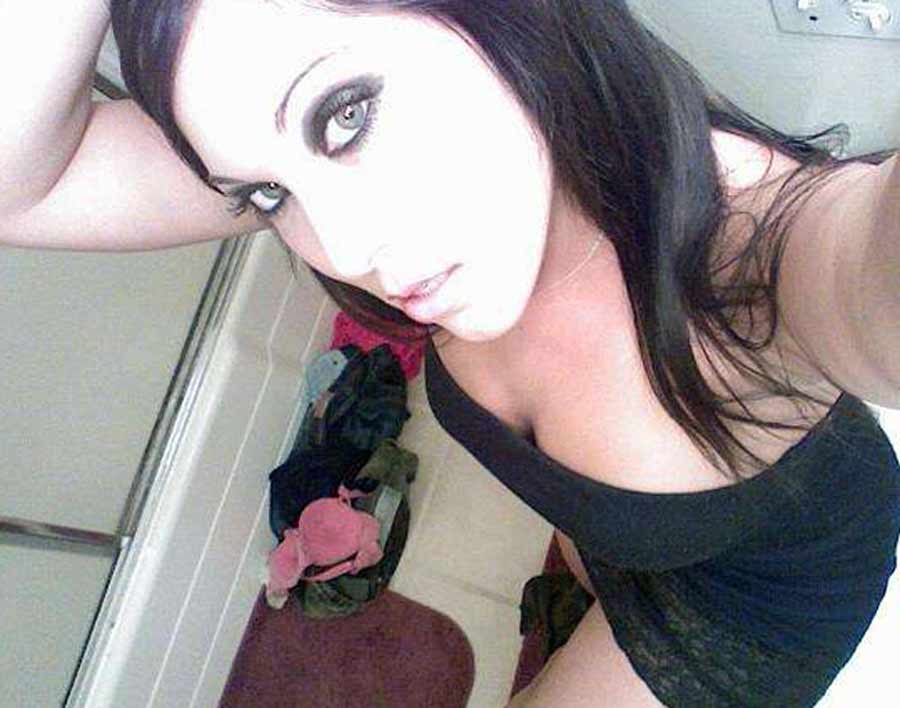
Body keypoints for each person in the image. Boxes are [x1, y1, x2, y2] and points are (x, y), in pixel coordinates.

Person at [3, 1, 899, 705]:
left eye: (346, 117)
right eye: (266, 194)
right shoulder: (372, 197)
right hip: (621, 543)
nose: (346, 250)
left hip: (756, 595)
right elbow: (21, 193)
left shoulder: (764, 262)